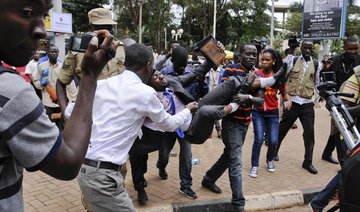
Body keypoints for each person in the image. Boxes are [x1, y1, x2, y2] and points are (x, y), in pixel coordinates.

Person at [0, 0, 118, 210]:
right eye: (27, 13)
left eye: (44, 16)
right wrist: (69, 108)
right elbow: (69, 161)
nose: (41, 31)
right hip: (79, 125)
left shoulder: (121, 51)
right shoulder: (11, 92)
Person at [75, 43, 198, 211]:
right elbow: (169, 124)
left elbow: (70, 111)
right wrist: (187, 110)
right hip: (103, 176)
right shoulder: (145, 93)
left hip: (87, 169)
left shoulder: (102, 84)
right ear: (149, 66)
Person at [201, 43, 265, 212]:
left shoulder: (257, 74)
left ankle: (209, 179)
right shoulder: (230, 70)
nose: (251, 57)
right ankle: (239, 204)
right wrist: (245, 87)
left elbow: (261, 101)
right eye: (248, 54)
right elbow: (225, 95)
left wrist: (248, 96)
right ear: (241, 55)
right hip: (231, 123)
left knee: (229, 155)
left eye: (254, 54)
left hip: (245, 123)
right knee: (236, 162)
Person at [159, 46, 208, 199]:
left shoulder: (192, 73)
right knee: (164, 153)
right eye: (179, 64)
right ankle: (161, 166)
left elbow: (203, 93)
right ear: (172, 61)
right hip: (169, 121)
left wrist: (201, 82)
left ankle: (186, 185)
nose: (182, 67)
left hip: (186, 122)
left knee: (186, 155)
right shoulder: (164, 74)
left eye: (184, 64)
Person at [56, 7, 126, 114]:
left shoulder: (120, 49)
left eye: (108, 28)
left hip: (117, 112)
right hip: (88, 113)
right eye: (100, 28)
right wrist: (65, 114)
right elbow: (60, 83)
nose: (105, 32)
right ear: (91, 28)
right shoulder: (77, 52)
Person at [310, 65, 360, 211]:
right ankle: (319, 202)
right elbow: (342, 108)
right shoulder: (356, 78)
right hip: (353, 136)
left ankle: (319, 202)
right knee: (350, 171)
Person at [275, 40, 322, 174]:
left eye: (310, 48)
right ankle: (273, 153)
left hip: (307, 104)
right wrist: (284, 97)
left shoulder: (317, 65)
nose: (307, 50)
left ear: (312, 50)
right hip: (291, 102)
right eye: (305, 48)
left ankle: (308, 162)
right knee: (282, 128)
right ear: (301, 48)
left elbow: (317, 83)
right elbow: (284, 75)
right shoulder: (294, 60)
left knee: (309, 133)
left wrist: (321, 97)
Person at [249, 49, 291, 178]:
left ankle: (269, 160)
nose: (264, 62)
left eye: (267, 60)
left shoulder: (278, 76)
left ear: (273, 61)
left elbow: (284, 93)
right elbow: (249, 88)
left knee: (273, 141)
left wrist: (287, 101)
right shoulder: (256, 74)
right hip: (258, 112)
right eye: (262, 59)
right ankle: (254, 165)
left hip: (272, 113)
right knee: (258, 139)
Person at [321, 37, 360, 165]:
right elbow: (326, 78)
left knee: (337, 129)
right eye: (350, 49)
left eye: (356, 49)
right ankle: (343, 161)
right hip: (337, 100)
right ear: (344, 48)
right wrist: (326, 68)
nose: (353, 51)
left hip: (354, 100)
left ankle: (327, 153)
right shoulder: (335, 60)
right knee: (340, 128)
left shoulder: (359, 60)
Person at [33, 45, 77, 131]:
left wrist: (74, 97)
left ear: (58, 53)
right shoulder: (41, 66)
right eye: (52, 51)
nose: (54, 53)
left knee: (62, 126)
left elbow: (70, 83)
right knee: (48, 126)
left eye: (56, 52)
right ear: (47, 53)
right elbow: (36, 81)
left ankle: (60, 142)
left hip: (62, 101)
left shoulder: (63, 67)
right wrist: (42, 84)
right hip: (47, 102)